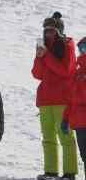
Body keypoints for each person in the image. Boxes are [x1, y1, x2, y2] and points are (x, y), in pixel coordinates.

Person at [32, 12, 78, 180]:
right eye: (46, 30)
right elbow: (37, 74)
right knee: (48, 138)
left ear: (59, 30)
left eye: (51, 30)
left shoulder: (68, 45)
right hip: (45, 100)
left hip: (63, 99)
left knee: (65, 136)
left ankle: (69, 173)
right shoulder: (44, 47)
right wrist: (39, 57)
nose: (48, 33)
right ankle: (50, 171)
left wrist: (47, 56)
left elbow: (66, 71)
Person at [62, 37, 86, 180]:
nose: (83, 52)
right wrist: (65, 118)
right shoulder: (77, 73)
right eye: (81, 48)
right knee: (85, 155)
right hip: (79, 121)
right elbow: (71, 99)